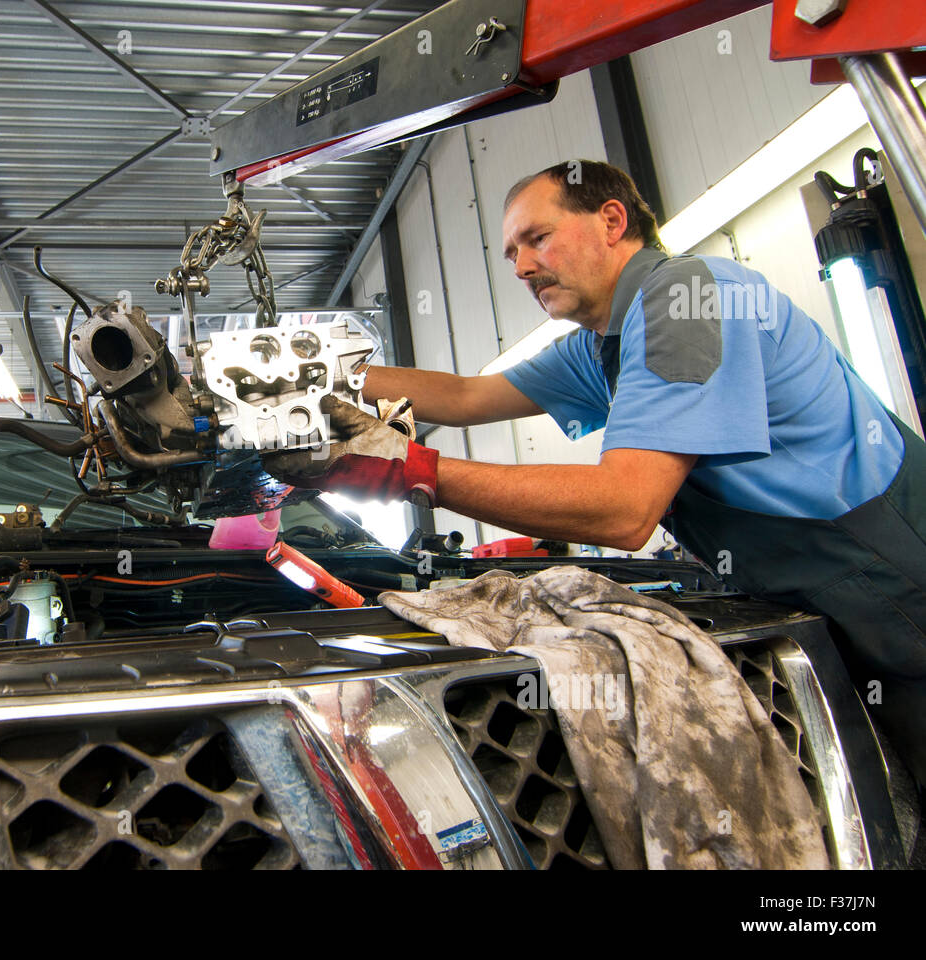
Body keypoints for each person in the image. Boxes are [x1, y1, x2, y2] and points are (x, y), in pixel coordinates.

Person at [264, 159, 926, 794]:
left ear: (612, 220)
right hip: (821, 587)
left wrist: (403, 471)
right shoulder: (602, 345)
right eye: (513, 254)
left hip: (890, 577)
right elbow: (467, 396)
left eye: (538, 238)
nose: (522, 266)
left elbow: (625, 510)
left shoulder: (687, 300)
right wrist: (303, 373)